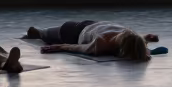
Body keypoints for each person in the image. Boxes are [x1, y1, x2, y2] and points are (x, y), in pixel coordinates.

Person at [25, 19, 158, 61]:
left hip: (96, 25)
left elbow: (138, 45)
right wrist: (59, 47)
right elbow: (78, 48)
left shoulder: (131, 34)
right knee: (41, 34)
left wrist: (144, 39)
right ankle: (37, 32)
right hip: (72, 31)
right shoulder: (101, 43)